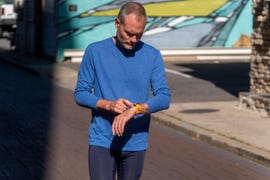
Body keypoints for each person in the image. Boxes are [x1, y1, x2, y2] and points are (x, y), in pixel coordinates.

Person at [74, 2, 170, 180]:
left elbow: (164, 98)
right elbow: (80, 93)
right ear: (117, 23)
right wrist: (108, 104)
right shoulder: (95, 51)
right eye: (129, 33)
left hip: (135, 142)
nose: (134, 40)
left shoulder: (152, 55)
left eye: (139, 35)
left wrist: (135, 109)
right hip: (102, 140)